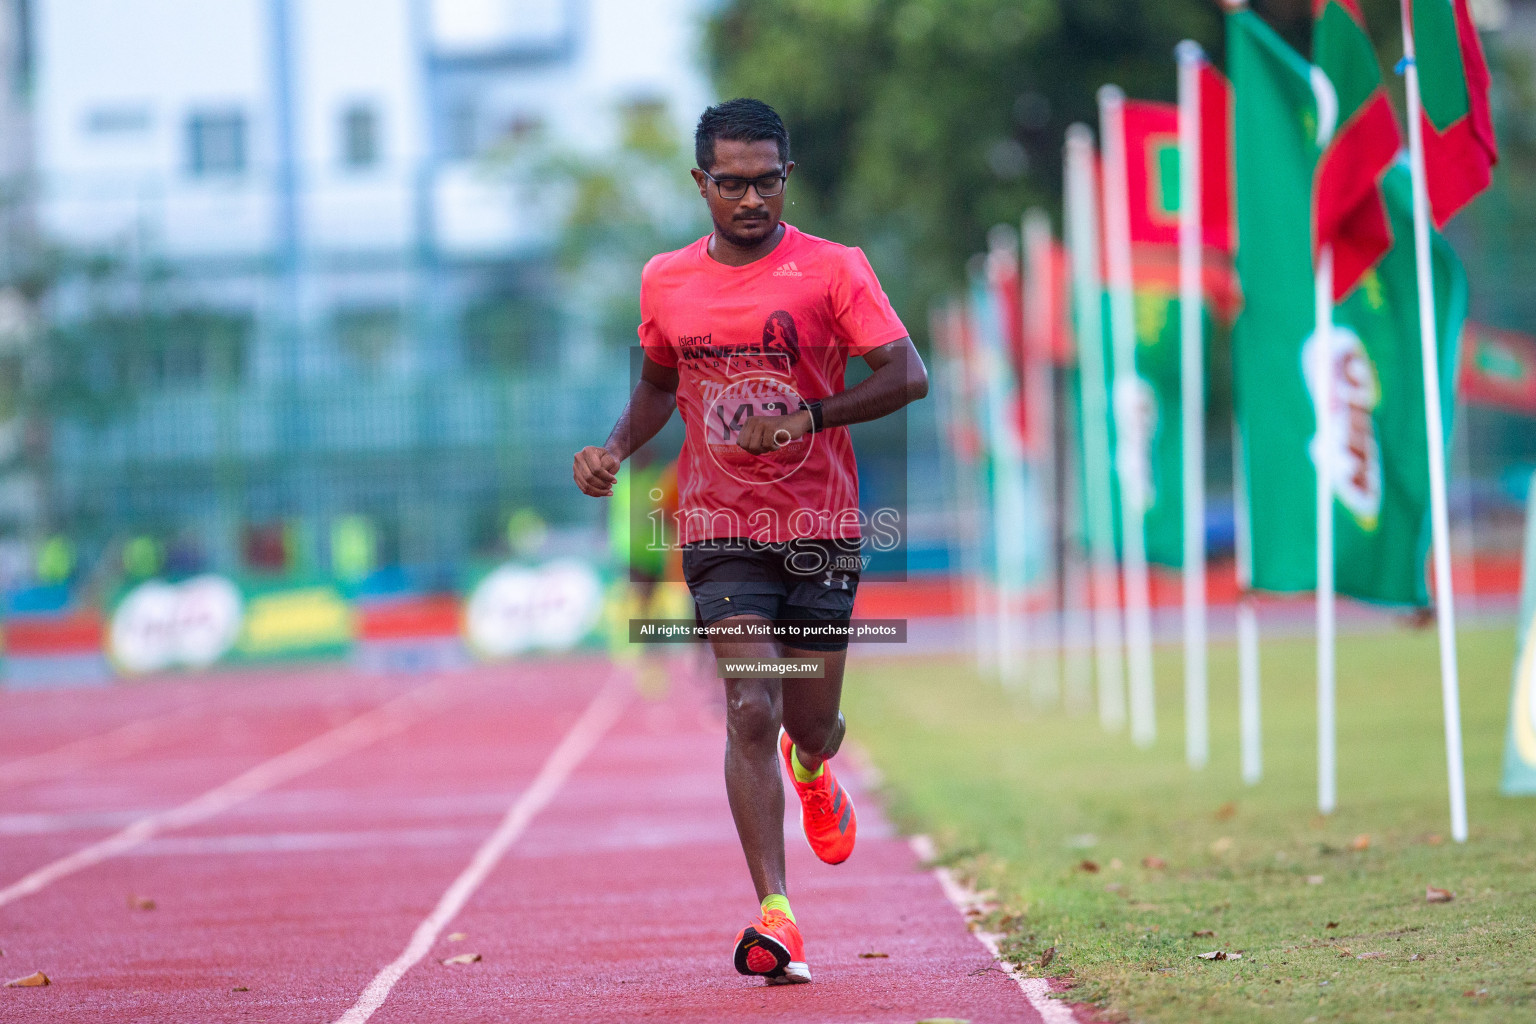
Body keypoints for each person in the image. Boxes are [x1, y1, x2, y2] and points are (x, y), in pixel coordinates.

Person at [573, 98, 927, 985]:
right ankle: (778, 914)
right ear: (701, 183)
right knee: (749, 708)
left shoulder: (834, 270)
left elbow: (907, 376)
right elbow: (660, 382)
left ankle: (813, 768)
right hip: (721, 527)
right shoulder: (666, 280)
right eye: (730, 183)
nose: (750, 199)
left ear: (786, 177)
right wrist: (616, 448)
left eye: (765, 181)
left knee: (811, 720)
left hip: (819, 528)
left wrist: (808, 415)